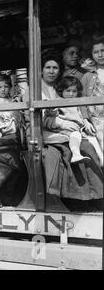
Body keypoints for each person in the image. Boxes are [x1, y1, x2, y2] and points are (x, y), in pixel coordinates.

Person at [23, 55, 103, 206]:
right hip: (40, 130)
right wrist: (62, 123)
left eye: (55, 68)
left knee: (87, 147)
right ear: (41, 70)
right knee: (60, 153)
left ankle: (92, 195)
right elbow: (36, 117)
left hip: (62, 131)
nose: (52, 71)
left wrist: (82, 121)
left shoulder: (61, 87)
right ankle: (70, 199)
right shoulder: (33, 89)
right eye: (48, 67)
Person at [46, 76, 102, 165]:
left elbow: (81, 114)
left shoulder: (76, 102)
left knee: (93, 139)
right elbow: (51, 115)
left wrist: (86, 122)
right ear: (61, 91)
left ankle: (101, 159)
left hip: (79, 129)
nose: (71, 94)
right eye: (68, 91)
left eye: (74, 91)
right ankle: (76, 154)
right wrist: (52, 110)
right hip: (64, 130)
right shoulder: (58, 101)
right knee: (75, 135)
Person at [81, 36, 104, 154]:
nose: (100, 55)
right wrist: (85, 120)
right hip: (97, 120)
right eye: (96, 52)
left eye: (102, 50)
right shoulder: (87, 76)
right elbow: (82, 100)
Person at [0, 73, 19, 138]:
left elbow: (15, 117)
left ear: (10, 87)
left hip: (9, 127)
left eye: (6, 86)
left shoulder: (12, 101)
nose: (3, 90)